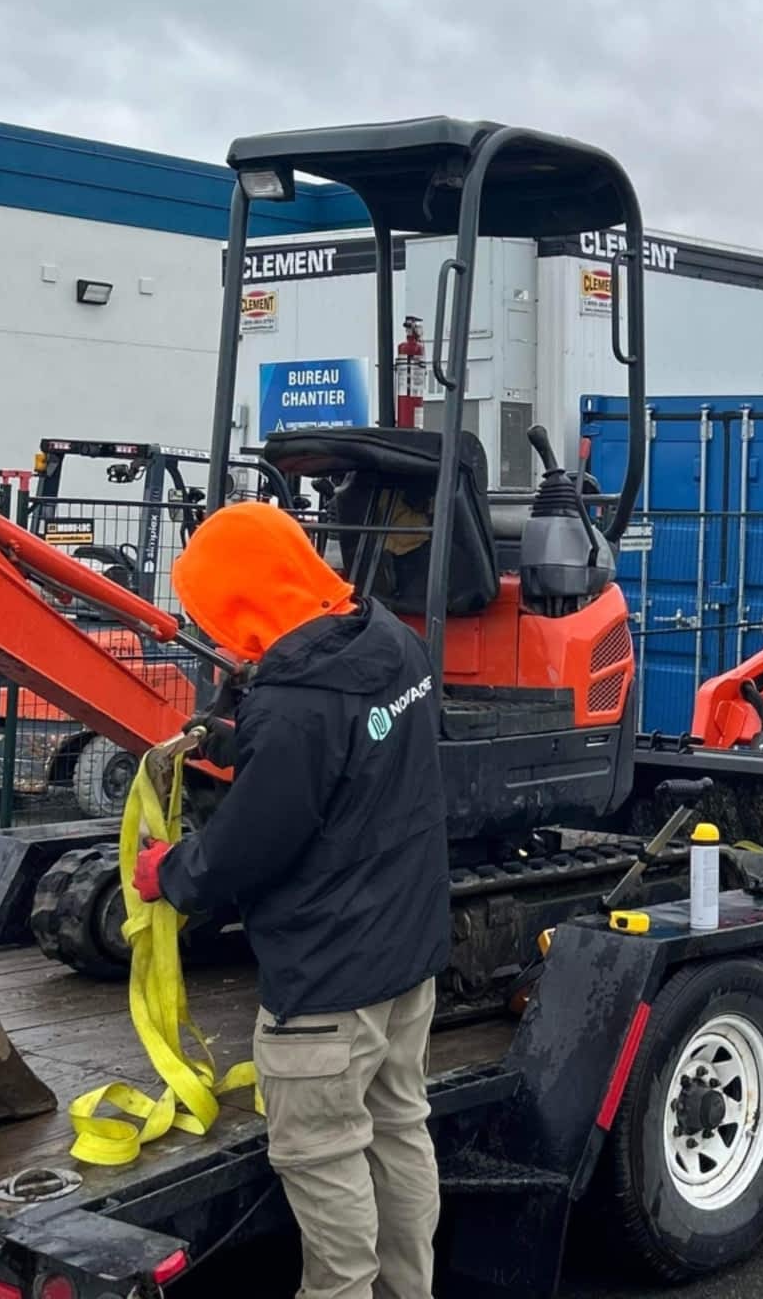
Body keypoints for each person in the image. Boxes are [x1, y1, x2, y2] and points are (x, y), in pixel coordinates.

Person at [132, 501, 450, 1299]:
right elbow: (346, 757)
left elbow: (249, 847)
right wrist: (242, 740)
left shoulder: (296, 703)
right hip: (406, 957)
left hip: (325, 985)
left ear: (239, 602)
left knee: (325, 1153)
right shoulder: (393, 643)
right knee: (399, 1130)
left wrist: (169, 872)